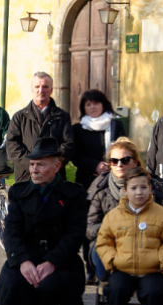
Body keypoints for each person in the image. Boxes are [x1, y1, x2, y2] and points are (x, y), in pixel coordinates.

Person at [0, 137, 87, 305]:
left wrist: (52, 263)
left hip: (61, 261)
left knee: (49, 285)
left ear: (56, 167)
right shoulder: (18, 192)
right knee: (14, 285)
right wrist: (24, 262)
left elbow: (75, 235)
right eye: (32, 164)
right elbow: (12, 232)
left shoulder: (74, 194)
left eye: (41, 165)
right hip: (25, 258)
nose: (34, 170)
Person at [86, 137, 163, 305]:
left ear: (136, 162)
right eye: (114, 161)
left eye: (125, 160)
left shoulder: (154, 187)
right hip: (111, 249)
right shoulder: (100, 188)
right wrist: (114, 230)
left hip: (147, 250)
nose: (119, 165)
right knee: (98, 250)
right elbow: (90, 227)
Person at [95, 166, 163, 305]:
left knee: (153, 292)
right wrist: (113, 261)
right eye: (133, 188)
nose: (139, 192)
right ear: (125, 191)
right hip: (122, 268)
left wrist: (160, 262)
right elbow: (103, 242)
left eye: (143, 187)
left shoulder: (159, 214)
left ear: (150, 189)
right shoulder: (114, 216)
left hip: (152, 270)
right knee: (116, 290)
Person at [72, 89, 127, 285]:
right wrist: (93, 165)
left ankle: (115, 265)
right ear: (83, 108)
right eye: (88, 104)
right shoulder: (78, 129)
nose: (93, 107)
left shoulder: (115, 125)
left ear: (104, 104)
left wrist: (112, 164)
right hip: (88, 183)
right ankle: (91, 269)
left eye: (96, 103)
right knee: (91, 225)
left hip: (114, 183)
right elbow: (75, 156)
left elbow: (125, 147)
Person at [6, 72, 74, 183]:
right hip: (26, 179)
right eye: (37, 87)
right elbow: (12, 146)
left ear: (51, 90)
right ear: (32, 89)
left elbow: (69, 145)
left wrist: (51, 165)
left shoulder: (62, 117)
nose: (41, 90)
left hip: (54, 180)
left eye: (45, 87)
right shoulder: (19, 117)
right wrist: (33, 165)